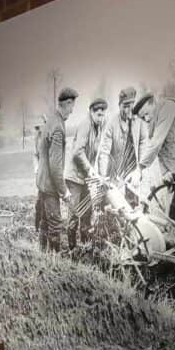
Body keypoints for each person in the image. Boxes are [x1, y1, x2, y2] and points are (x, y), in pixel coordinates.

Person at [36, 87, 77, 251]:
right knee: (55, 224)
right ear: (67, 103)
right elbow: (55, 166)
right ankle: (56, 265)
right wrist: (64, 191)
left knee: (45, 221)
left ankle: (42, 256)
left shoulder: (51, 120)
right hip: (50, 185)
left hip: (43, 182)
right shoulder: (58, 127)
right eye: (72, 106)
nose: (72, 111)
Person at [65, 97, 107, 249]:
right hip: (75, 177)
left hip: (85, 178)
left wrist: (98, 174)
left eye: (103, 114)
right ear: (91, 112)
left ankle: (85, 247)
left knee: (87, 213)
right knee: (75, 213)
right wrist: (90, 169)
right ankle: (71, 250)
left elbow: (96, 153)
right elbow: (77, 152)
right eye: (98, 114)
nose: (100, 117)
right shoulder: (85, 125)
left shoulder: (98, 128)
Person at [98, 87, 141, 188]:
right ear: (119, 105)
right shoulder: (112, 124)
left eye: (129, 107)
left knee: (133, 202)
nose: (126, 110)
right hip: (115, 175)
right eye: (124, 106)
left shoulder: (139, 122)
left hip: (133, 174)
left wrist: (140, 170)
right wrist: (103, 176)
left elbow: (144, 144)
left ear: (133, 105)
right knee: (116, 202)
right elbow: (104, 152)